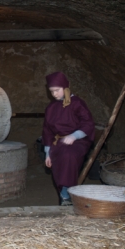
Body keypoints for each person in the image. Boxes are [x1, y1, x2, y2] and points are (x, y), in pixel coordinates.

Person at [42, 71, 95, 206]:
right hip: (59, 141)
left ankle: (66, 193)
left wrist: (74, 136)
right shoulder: (51, 107)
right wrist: (47, 153)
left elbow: (88, 123)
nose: (54, 94)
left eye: (57, 90)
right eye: (51, 91)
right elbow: (47, 131)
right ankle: (64, 191)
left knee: (68, 154)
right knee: (55, 155)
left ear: (65, 87)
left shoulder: (77, 103)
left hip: (78, 140)